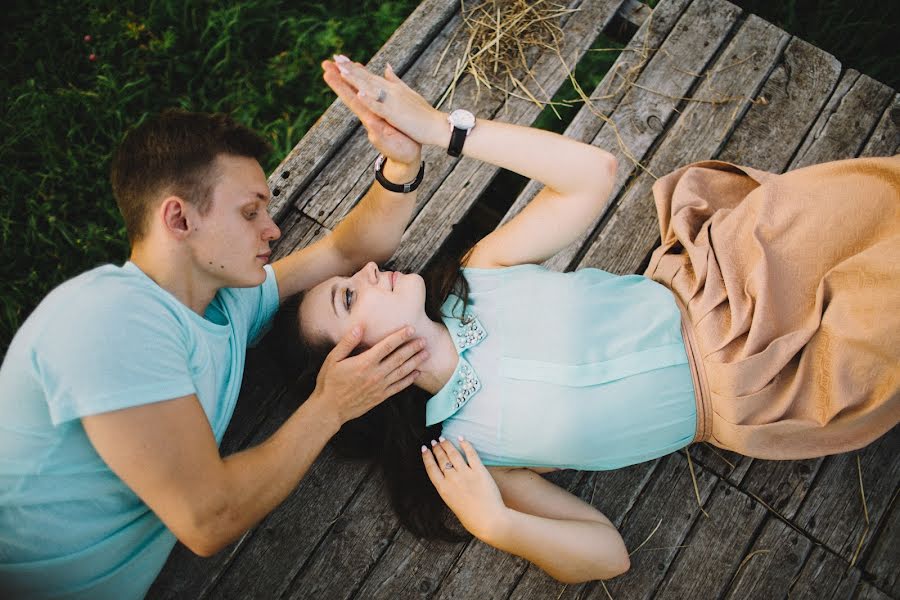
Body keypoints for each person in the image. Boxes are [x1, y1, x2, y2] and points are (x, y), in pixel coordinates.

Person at [278, 57, 900, 583]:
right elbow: (609, 554)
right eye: (348, 300)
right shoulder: (469, 456)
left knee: (876, 203)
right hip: (760, 388)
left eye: (347, 279)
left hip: (725, 277)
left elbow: (591, 174)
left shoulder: (480, 274)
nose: (366, 273)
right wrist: (497, 523)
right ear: (356, 368)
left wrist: (443, 129)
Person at [0, 57, 435, 599]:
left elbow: (347, 249)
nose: (273, 229)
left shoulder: (227, 303)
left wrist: (400, 166)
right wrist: (331, 406)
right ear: (179, 220)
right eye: (251, 212)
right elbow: (207, 519)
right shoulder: (108, 317)